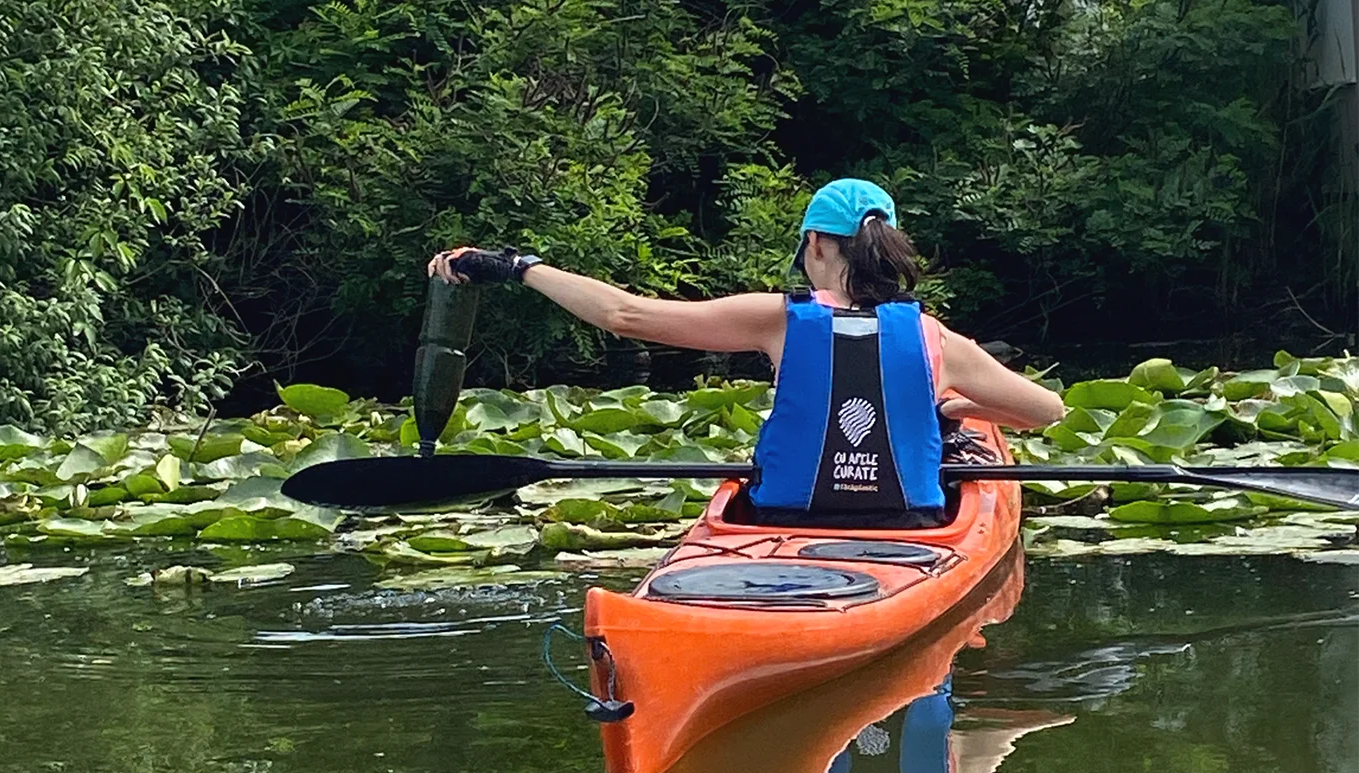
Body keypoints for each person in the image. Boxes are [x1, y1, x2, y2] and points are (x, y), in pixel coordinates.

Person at [428, 178, 1064, 525]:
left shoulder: (776, 318)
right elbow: (1046, 411)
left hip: (785, 519)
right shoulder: (935, 337)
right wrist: (950, 409)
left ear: (815, 244)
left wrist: (518, 266)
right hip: (906, 529)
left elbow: (625, 315)